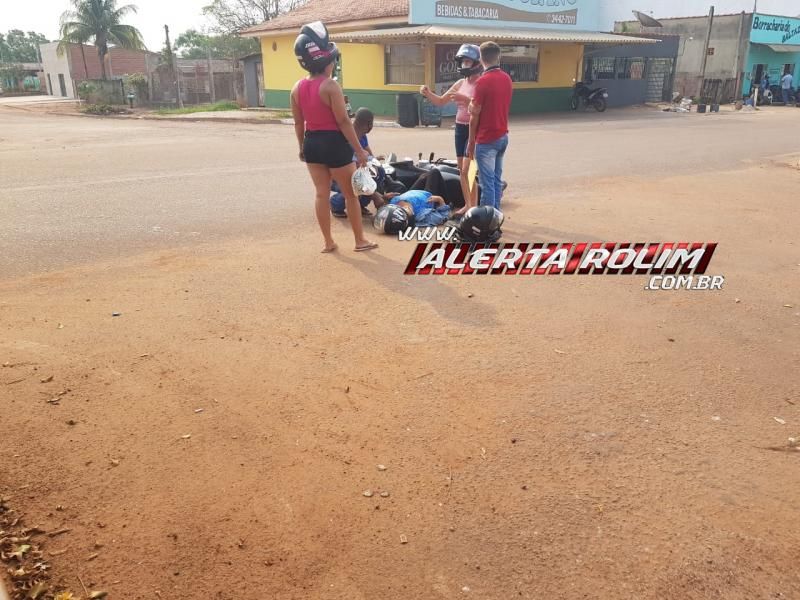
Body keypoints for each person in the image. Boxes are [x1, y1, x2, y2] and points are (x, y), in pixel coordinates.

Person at [290, 21, 377, 253]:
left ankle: (328, 242)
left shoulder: (296, 88)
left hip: (312, 143)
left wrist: (301, 146)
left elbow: (299, 123)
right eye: (333, 60)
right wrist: (359, 150)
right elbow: (343, 122)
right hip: (334, 144)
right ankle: (360, 241)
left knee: (321, 193)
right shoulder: (330, 86)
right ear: (326, 60)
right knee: (351, 194)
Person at [420, 44, 483, 215]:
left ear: (476, 63)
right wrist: (427, 93)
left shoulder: (481, 83)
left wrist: (466, 98)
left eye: (468, 61)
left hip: (473, 129)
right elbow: (440, 101)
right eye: (463, 61)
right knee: (462, 171)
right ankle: (468, 204)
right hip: (459, 128)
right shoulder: (460, 82)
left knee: (468, 170)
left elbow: (481, 106)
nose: (464, 65)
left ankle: (474, 206)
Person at [467, 41, 513, 211]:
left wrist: (471, 142)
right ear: (498, 56)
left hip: (486, 140)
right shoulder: (507, 78)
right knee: (495, 180)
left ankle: (487, 222)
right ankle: (496, 216)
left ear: (481, 58)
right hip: (502, 136)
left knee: (487, 185)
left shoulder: (482, 82)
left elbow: (474, 117)